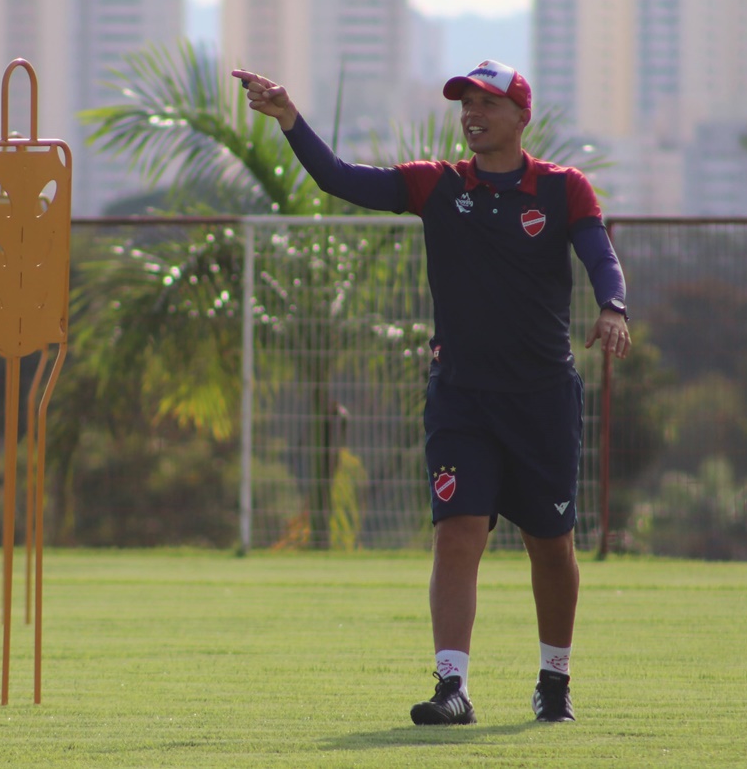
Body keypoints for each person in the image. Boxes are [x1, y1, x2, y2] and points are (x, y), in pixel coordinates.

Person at [232, 60, 630, 725]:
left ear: (520, 115)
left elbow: (599, 253)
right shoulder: (437, 185)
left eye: (488, 103)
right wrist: (288, 119)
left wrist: (613, 305)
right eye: (465, 103)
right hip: (461, 398)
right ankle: (453, 686)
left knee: (551, 543)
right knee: (457, 533)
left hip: (541, 398)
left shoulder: (563, 189)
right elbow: (340, 180)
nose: (473, 114)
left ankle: (554, 680)